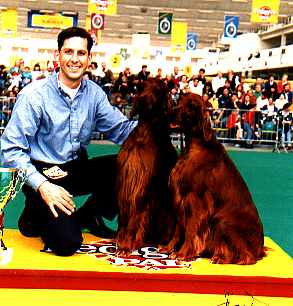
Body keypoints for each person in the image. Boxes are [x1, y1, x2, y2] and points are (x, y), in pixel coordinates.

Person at [0, 27, 137, 256]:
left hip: (74, 168)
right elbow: (10, 150)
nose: (75, 59)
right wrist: (43, 187)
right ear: (58, 55)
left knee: (126, 165)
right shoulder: (34, 95)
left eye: (81, 53)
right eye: (68, 52)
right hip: (42, 173)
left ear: (89, 58)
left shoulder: (95, 94)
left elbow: (121, 129)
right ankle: (34, 211)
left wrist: (159, 124)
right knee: (66, 243)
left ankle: (89, 213)